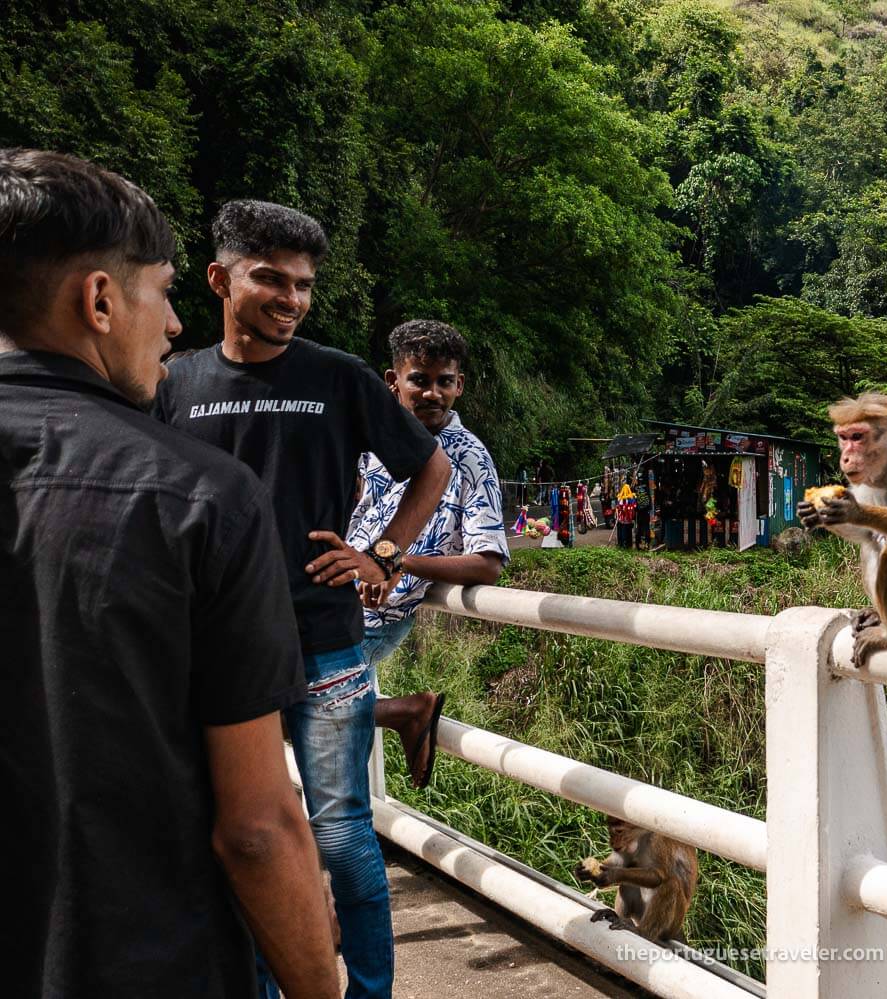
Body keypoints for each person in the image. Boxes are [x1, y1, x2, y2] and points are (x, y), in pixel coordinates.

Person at [0, 149, 340, 998]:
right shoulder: (200, 497)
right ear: (102, 301)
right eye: (164, 291)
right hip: (138, 958)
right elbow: (258, 828)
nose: (176, 323)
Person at [153, 199, 451, 999]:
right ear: (219, 278)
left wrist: (382, 551)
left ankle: (372, 990)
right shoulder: (173, 383)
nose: (291, 299)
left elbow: (431, 469)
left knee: (343, 832)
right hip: (214, 649)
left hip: (322, 634)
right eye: (270, 279)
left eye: (304, 285)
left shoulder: (338, 376)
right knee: (238, 834)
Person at [348, 320, 510, 788]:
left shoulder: (469, 458)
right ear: (393, 381)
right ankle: (405, 712)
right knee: (277, 705)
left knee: (292, 709)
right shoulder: (376, 444)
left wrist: (398, 563)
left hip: (375, 618)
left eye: (444, 381)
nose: (432, 393)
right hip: (332, 601)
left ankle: (409, 711)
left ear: (460, 385)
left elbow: (488, 562)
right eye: (419, 379)